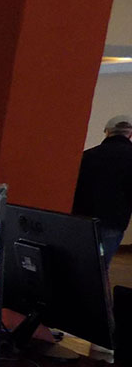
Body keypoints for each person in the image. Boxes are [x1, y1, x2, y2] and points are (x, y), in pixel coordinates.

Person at [72, 114, 132, 273]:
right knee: (99, 269)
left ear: (107, 132)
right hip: (114, 221)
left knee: (76, 264)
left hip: (82, 219)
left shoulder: (87, 155)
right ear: (130, 135)